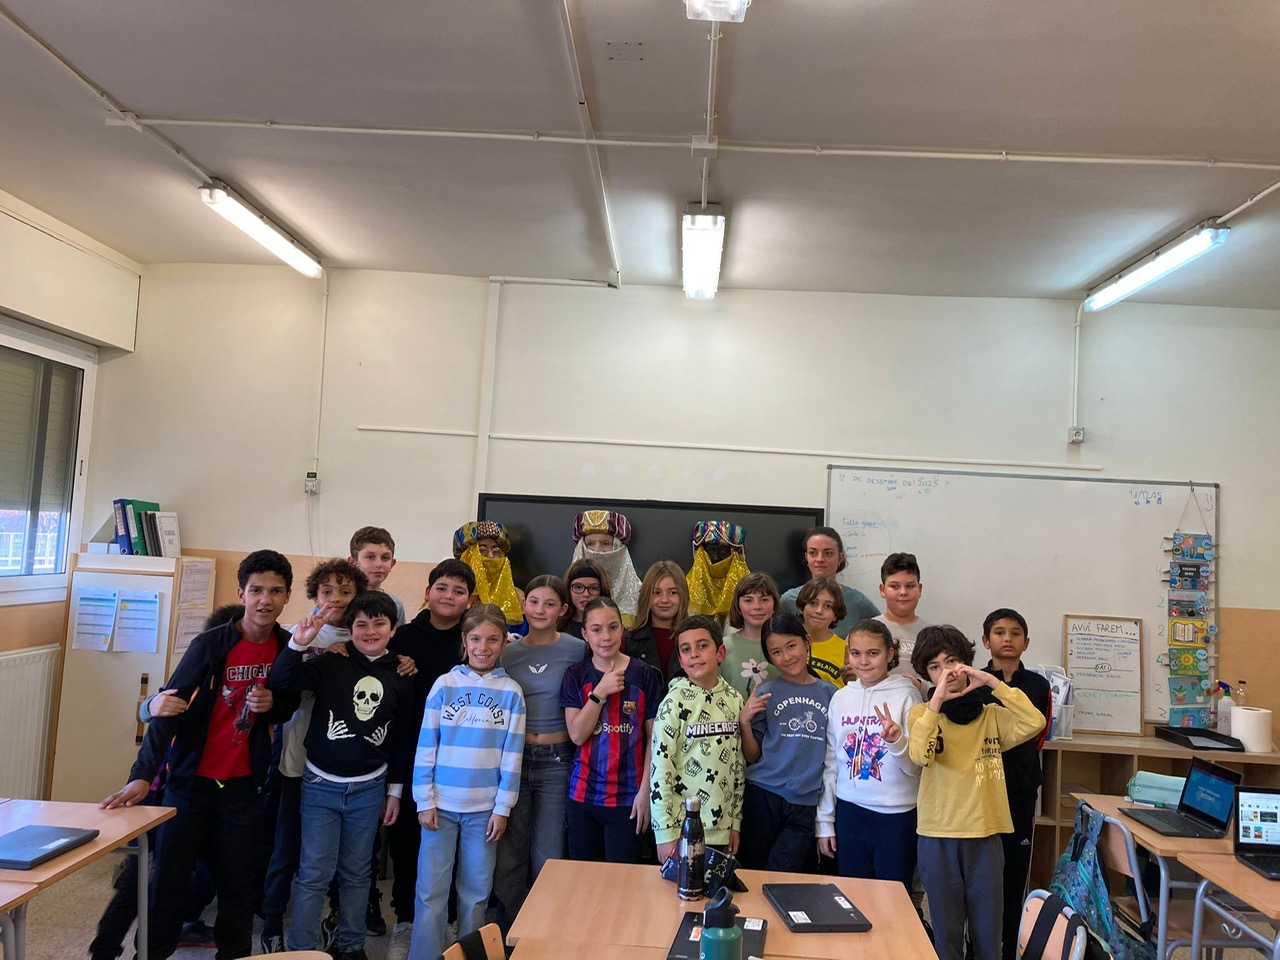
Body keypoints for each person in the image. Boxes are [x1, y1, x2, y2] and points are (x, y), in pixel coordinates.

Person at [100, 550, 299, 960]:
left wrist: (274, 705)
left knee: (238, 886)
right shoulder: (210, 644)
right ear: (241, 593)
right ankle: (149, 954)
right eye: (256, 590)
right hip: (189, 786)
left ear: (287, 596)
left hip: (243, 788)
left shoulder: (286, 646)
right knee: (168, 883)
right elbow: (168, 709)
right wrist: (142, 775)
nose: (265, 600)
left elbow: (288, 702)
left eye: (276, 591)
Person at [269, 591, 415, 960]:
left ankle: (351, 945)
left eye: (379, 623)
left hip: (371, 786)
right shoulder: (332, 662)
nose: (370, 631)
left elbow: (402, 739)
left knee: (357, 873)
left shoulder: (402, 673)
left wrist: (395, 791)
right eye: (361, 624)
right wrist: (298, 643)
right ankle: (301, 950)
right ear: (349, 631)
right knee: (314, 872)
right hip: (320, 784)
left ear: (393, 629)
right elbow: (282, 680)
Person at [90, 606, 242, 960]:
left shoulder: (231, 688)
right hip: (157, 794)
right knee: (139, 880)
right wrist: (150, 706)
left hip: (198, 796)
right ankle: (106, 948)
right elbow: (157, 712)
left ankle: (173, 927)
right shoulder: (192, 682)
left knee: (197, 873)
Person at [908, 625, 1047, 960]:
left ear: (966, 663)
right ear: (926, 674)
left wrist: (992, 683)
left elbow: (1035, 721)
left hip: (985, 833)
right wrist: (936, 702)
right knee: (947, 933)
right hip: (938, 834)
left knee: (988, 934)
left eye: (951, 662)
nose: (946, 673)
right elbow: (919, 755)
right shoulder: (922, 714)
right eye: (935, 667)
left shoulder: (991, 715)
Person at [260, 558, 368, 952]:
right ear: (313, 594)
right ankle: (273, 923)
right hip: (295, 758)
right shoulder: (298, 633)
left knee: (340, 857)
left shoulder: (363, 637)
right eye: (327, 591)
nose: (336, 599)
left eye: (345, 592)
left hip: (341, 765)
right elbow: (280, 681)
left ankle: (333, 921)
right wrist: (307, 647)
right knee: (287, 848)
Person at [410, 604, 526, 960]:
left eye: (492, 639)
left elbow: (512, 757)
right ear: (464, 640)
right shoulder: (444, 685)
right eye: (475, 639)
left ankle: (468, 955)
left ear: (503, 642)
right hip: (439, 807)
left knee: (476, 894)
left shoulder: (511, 692)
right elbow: (426, 746)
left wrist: (502, 808)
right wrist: (424, 800)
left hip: (484, 811)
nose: (483, 647)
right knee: (431, 892)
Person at [383, 558, 476, 960]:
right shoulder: (402, 638)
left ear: (470, 600)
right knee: (407, 840)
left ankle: (449, 922)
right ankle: (406, 921)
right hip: (409, 752)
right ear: (426, 593)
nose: (448, 596)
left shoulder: (473, 641)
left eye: (458, 591)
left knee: (452, 844)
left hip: (459, 758)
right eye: (441, 587)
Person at [493, 576, 586, 926]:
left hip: (558, 760)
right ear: (523, 605)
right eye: (533, 602)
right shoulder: (507, 652)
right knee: (509, 855)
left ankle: (545, 929)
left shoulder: (578, 649)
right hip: (514, 759)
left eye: (549, 604)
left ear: (563, 609)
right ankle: (510, 931)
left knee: (549, 853)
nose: (540, 610)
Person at [816, 619, 922, 888]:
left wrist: (897, 741)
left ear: (890, 654)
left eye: (873, 653)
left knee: (893, 898)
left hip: (896, 816)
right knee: (853, 895)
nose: (863, 661)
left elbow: (916, 767)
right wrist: (825, 821)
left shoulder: (907, 696)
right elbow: (832, 762)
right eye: (856, 653)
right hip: (850, 814)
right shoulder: (840, 698)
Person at [560, 597, 663, 862]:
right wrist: (599, 693)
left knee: (623, 879)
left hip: (629, 798)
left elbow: (655, 740)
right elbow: (577, 735)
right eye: (596, 629)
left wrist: (645, 792)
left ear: (622, 629)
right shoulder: (575, 675)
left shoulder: (644, 674)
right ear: (585, 634)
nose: (605, 637)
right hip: (583, 795)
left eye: (613, 627)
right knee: (584, 878)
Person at [737, 614, 835, 871]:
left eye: (791, 646)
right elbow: (752, 756)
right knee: (753, 871)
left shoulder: (830, 694)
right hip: (763, 795)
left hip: (805, 801)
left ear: (807, 642)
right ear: (770, 658)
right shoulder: (765, 692)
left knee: (786, 874)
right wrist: (744, 722)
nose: (787, 656)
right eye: (776, 652)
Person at [981, 608, 1052, 960]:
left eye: (1015, 633)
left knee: (1014, 873)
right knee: (982, 876)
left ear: (1026, 642)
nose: (1007, 638)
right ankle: (978, 948)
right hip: (982, 790)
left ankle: (1010, 948)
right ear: (986, 641)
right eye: (999, 632)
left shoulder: (1038, 685)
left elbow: (1040, 731)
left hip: (1020, 789)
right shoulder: (976, 681)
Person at [649, 615, 745, 863]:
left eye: (702, 646)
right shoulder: (672, 704)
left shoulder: (734, 700)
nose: (694, 654)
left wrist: (734, 822)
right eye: (686, 649)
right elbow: (661, 770)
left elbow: (737, 766)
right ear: (680, 660)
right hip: (681, 830)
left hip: (722, 831)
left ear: (720, 653)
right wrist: (663, 833)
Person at [780, 526, 879, 638]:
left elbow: (882, 634)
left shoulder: (857, 601)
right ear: (806, 557)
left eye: (828, 553)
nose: (820, 559)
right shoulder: (788, 601)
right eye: (813, 553)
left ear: (840, 557)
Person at [568, 510, 642, 625]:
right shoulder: (565, 597)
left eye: (606, 543)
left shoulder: (640, 595)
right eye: (590, 544)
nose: (597, 550)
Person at [719, 572, 781, 699]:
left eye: (764, 600)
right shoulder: (723, 646)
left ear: (774, 605)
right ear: (738, 607)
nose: (757, 606)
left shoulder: (786, 645)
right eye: (748, 600)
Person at [626, 560, 689, 683]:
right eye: (657, 592)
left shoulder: (696, 639)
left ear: (683, 596)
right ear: (646, 596)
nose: (664, 600)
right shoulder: (629, 641)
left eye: (672, 592)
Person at [452, 520, 523, 626]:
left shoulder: (518, 597)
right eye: (482, 550)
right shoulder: (450, 593)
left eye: (496, 551)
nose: (490, 556)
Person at [873, 552, 930, 678]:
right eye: (895, 586)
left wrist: (920, 685)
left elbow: (942, 680)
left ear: (920, 589)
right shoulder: (865, 631)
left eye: (910, 586)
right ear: (882, 590)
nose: (903, 592)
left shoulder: (933, 636)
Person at [686, 520, 751, 622]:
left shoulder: (748, 588)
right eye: (711, 550)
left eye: (723, 552)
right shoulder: (687, 587)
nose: (715, 557)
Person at [349, 524, 407, 628]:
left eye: (385, 558)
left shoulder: (395, 604)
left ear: (392, 564)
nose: (379, 564)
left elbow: (400, 637)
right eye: (370, 557)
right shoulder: (342, 601)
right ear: (352, 562)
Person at [796, 577, 849, 689]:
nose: (819, 611)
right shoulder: (788, 645)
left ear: (835, 615)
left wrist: (852, 681)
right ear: (801, 608)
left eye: (828, 606)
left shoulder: (845, 650)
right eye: (813, 603)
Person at [561, 558, 612, 640]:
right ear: (568, 590)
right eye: (578, 587)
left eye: (593, 588)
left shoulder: (612, 625)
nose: (586, 594)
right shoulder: (556, 627)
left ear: (602, 591)